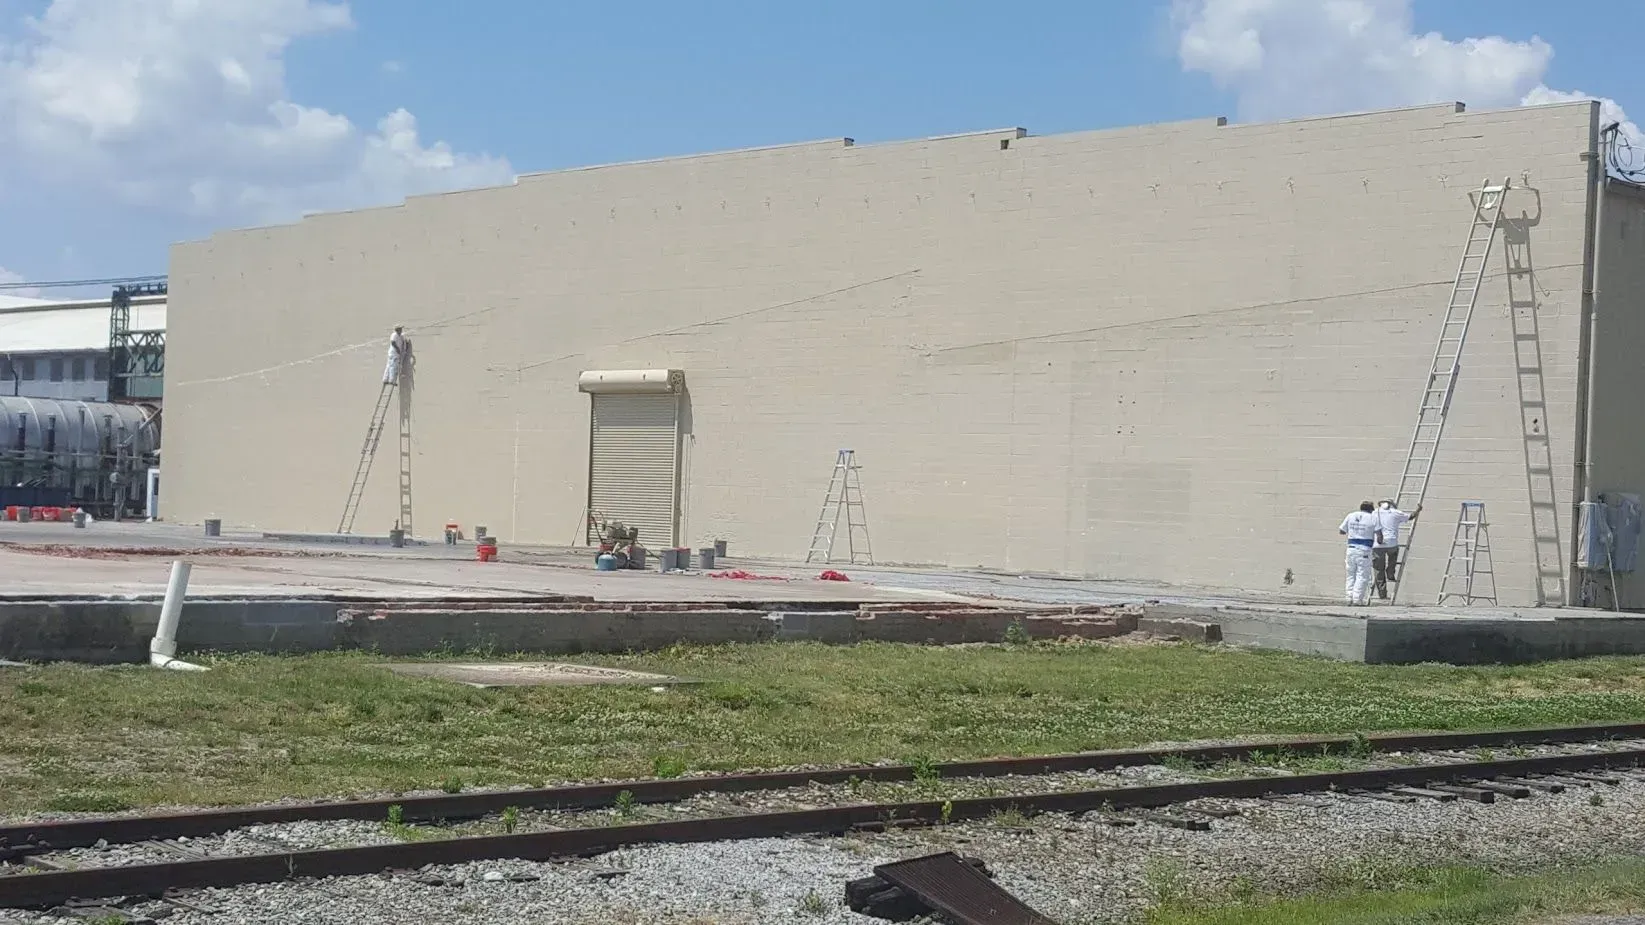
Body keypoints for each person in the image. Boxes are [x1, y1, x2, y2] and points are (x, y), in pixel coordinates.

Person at [1372, 500, 1422, 599]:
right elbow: (1410, 516)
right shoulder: (1395, 512)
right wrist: (1418, 510)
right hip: (1391, 542)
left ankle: (1382, 594)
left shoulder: (1374, 512)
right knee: (1393, 555)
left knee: (1378, 570)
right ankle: (1390, 572)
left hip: (1377, 544)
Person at [1338, 501, 1383, 606]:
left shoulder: (1351, 515)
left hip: (1351, 549)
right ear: (1371, 509)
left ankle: (1348, 598)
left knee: (1350, 574)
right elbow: (1379, 536)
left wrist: (1354, 530)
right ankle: (1357, 599)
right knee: (1362, 575)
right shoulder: (1373, 518)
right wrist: (1380, 542)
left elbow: (1341, 531)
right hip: (1364, 550)